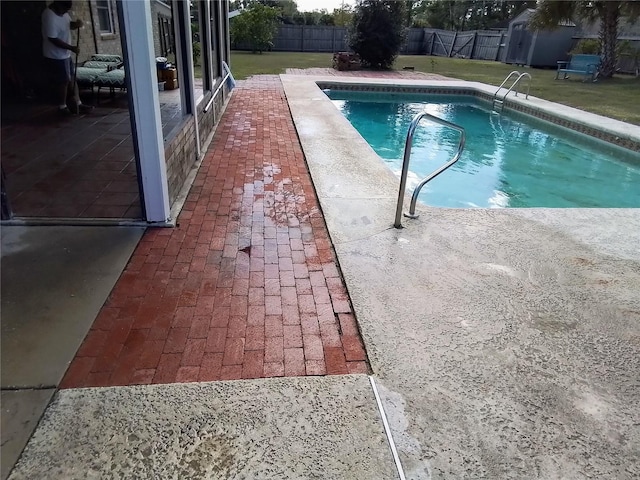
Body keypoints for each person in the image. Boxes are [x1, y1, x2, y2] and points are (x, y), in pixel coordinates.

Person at [42, 0, 92, 114]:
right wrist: (71, 48)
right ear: (57, 5)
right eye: (64, 10)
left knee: (72, 79)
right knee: (63, 81)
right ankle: (62, 106)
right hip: (55, 55)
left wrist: (77, 24)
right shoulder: (49, 16)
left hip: (65, 54)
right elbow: (52, 38)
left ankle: (78, 103)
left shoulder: (63, 13)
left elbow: (69, 25)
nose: (65, 12)